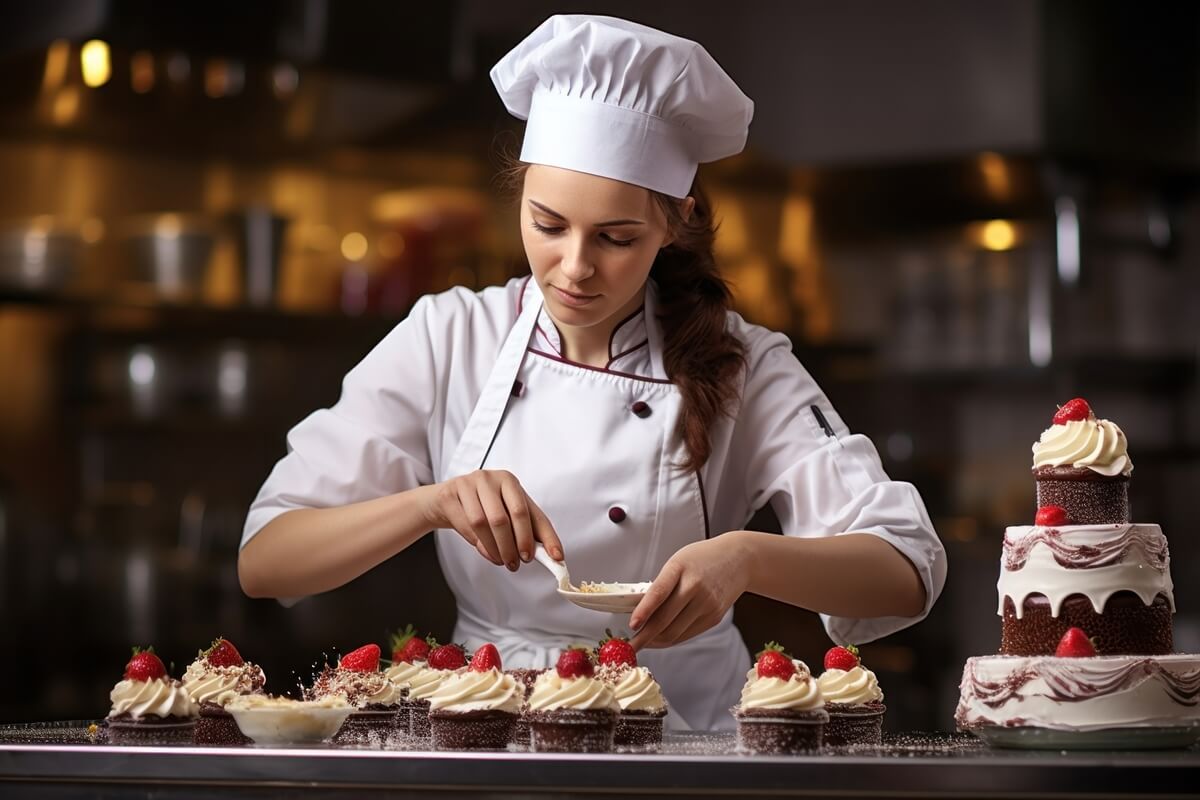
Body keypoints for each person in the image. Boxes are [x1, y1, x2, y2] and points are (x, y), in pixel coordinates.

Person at [238, 14, 946, 731]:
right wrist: (431, 503)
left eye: (616, 238)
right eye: (548, 225)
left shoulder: (746, 364)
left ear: (677, 222)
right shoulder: (450, 334)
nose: (575, 268)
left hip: (681, 742)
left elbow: (905, 566)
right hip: (486, 728)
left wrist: (747, 559)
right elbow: (267, 559)